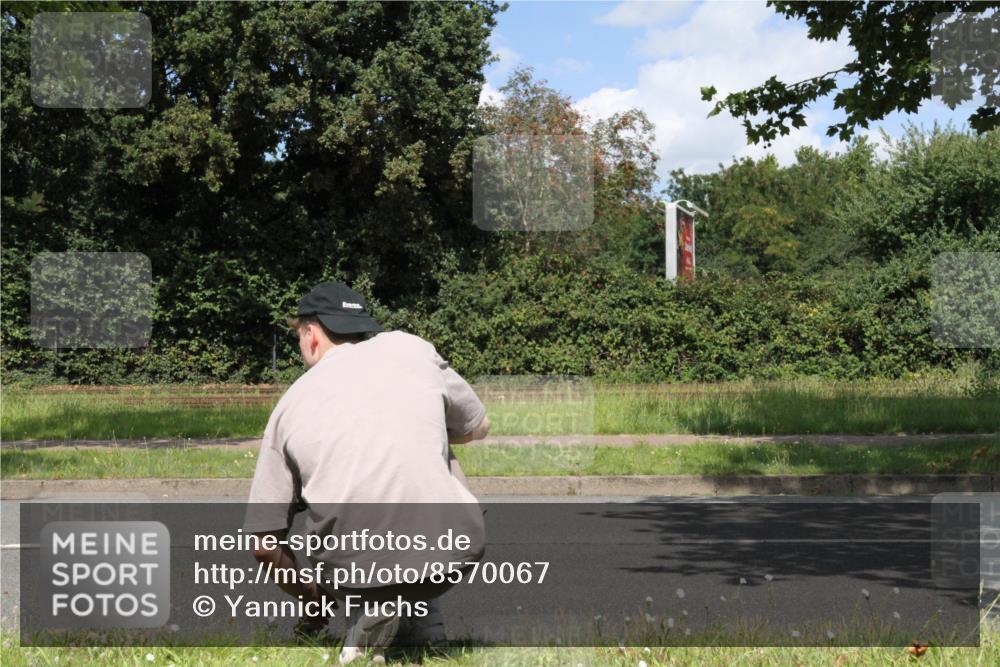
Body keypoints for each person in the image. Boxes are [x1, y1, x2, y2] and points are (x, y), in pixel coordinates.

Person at [244, 281, 490, 664]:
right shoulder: (411, 348)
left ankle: (364, 626)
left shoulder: (289, 407)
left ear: (311, 335)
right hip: (451, 551)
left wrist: (313, 599)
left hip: (354, 567)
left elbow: (264, 544)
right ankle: (423, 636)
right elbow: (479, 426)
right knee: (434, 451)